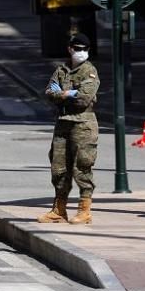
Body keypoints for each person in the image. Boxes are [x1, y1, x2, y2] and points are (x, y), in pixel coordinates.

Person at [38, 33, 100, 225]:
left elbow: (84, 98)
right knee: (58, 167)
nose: (81, 52)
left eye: (85, 49)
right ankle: (59, 209)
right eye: (78, 49)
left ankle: (85, 210)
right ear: (70, 49)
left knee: (82, 166)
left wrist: (62, 93)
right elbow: (49, 92)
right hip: (63, 122)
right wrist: (70, 93)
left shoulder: (90, 71)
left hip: (83, 124)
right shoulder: (62, 70)